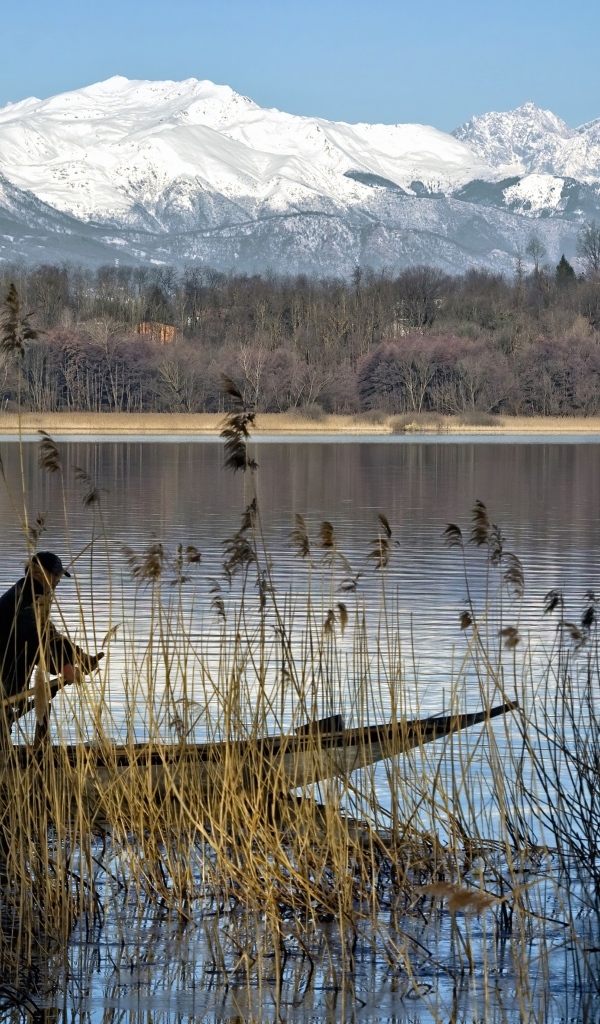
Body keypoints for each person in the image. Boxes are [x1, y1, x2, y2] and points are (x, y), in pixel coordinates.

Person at [0, 551, 104, 747]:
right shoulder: (29, 597)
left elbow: (49, 633)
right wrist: (64, 665)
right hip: (4, 678)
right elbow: (37, 636)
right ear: (41, 573)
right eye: (55, 576)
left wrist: (79, 655)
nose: (57, 581)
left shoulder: (26, 592)